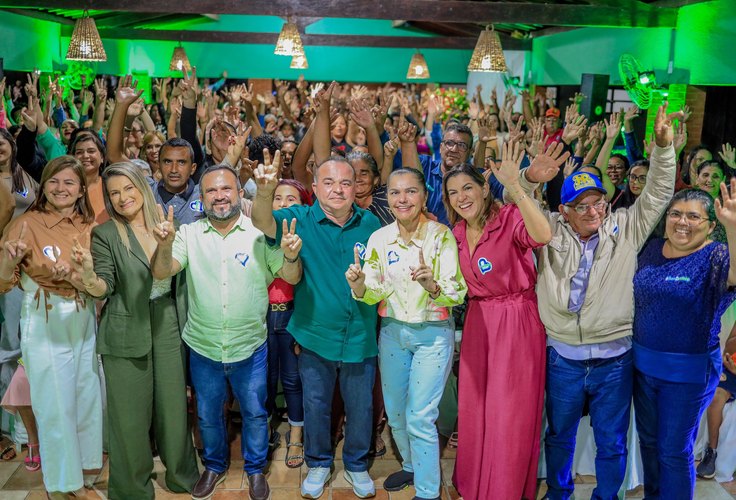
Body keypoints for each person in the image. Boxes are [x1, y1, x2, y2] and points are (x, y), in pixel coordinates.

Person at [511, 103, 679, 500]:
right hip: (563, 358)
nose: (593, 211)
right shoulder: (547, 229)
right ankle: (558, 492)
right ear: (564, 209)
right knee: (559, 436)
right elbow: (512, 204)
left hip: (614, 360)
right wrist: (527, 178)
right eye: (582, 205)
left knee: (612, 441)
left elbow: (656, 194)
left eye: (599, 202)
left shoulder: (624, 227)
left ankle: (607, 496)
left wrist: (663, 149)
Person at [151, 164, 302, 500]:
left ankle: (255, 470)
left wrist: (291, 256)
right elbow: (162, 271)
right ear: (202, 198)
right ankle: (215, 466)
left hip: (250, 346)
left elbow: (290, 276)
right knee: (207, 414)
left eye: (226, 189)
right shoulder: (188, 234)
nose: (219, 196)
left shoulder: (260, 233)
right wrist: (164, 244)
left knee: (255, 412)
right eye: (211, 191)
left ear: (239, 193)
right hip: (204, 347)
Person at [251, 149, 381, 498]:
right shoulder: (299, 219)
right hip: (313, 335)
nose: (337, 189)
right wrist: (264, 191)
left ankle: (356, 464)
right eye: (328, 182)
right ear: (315, 187)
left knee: (360, 408)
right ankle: (319, 463)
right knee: (316, 406)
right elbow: (263, 221)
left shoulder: (372, 225)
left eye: (345, 183)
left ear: (356, 188)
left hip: (360, 336)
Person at [71, 163, 199, 499]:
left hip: (167, 323)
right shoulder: (106, 234)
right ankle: (131, 489)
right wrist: (88, 277)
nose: (122, 197)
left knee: (174, 409)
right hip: (126, 330)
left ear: (141, 186)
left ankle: (182, 475)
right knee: (129, 418)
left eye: (127, 188)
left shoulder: (166, 223)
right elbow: (104, 287)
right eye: (114, 193)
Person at [348, 167, 466, 500]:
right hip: (393, 333)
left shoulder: (440, 236)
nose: (403, 199)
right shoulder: (379, 239)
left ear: (423, 196)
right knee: (397, 413)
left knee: (419, 416)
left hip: (432, 334)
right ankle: (412, 466)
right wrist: (359, 287)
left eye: (411, 191)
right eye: (396, 192)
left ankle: (428, 492)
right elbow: (373, 291)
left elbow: (458, 292)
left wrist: (433, 285)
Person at [447, 142, 557, 500]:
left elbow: (543, 235)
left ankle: (503, 490)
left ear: (483, 188)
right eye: (452, 193)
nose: (461, 197)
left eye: (467, 188)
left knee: (509, 412)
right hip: (479, 322)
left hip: (516, 322)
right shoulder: (458, 235)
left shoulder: (509, 216)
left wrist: (517, 189)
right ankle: (475, 483)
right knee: (476, 407)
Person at [0, 156, 102, 499]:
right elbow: (3, 283)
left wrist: (77, 276)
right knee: (54, 402)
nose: (61, 189)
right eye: (54, 181)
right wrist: (9, 262)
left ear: (81, 189)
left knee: (86, 396)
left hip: (83, 315)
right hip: (44, 317)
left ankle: (86, 471)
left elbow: (97, 280)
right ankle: (62, 484)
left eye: (69, 182)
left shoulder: (89, 224)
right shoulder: (25, 224)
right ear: (44, 185)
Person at [632, 187, 736, 499]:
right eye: (676, 213)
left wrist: (732, 225)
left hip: (688, 373)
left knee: (674, 450)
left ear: (710, 225)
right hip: (642, 368)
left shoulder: (715, 255)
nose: (682, 222)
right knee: (648, 444)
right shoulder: (649, 249)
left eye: (693, 216)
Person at [266, 179, 310, 469]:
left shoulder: (308, 237)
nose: (283, 204)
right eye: (277, 198)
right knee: (265, 379)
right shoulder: (261, 235)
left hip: (293, 313)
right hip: (263, 315)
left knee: (293, 379)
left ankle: (296, 433)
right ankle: (266, 430)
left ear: (304, 206)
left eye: (291, 199)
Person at [698, 324, 736, 480]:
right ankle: (711, 452)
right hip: (732, 370)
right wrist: (729, 362)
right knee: (715, 396)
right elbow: (728, 346)